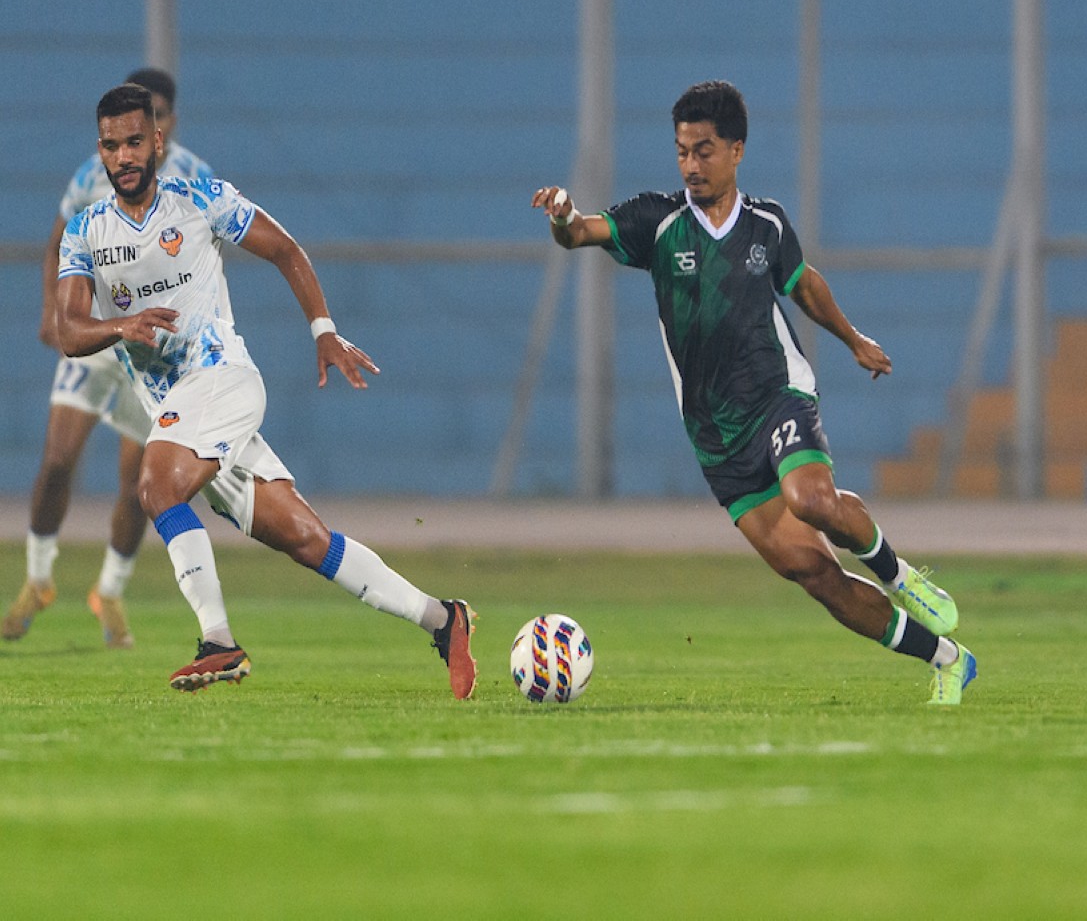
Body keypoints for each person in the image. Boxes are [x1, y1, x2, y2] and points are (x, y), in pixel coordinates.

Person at [531, 80, 977, 705]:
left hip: (778, 397)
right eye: (682, 151)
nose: (691, 165)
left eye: (704, 151)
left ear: (736, 150)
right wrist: (561, 217)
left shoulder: (766, 224)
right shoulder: (657, 221)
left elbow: (804, 284)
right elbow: (581, 232)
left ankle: (901, 576)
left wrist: (853, 340)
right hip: (716, 436)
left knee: (811, 498)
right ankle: (949, 660)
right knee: (815, 575)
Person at [55, 82, 477, 696]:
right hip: (181, 412)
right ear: (101, 150)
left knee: (156, 485)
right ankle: (443, 619)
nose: (124, 157)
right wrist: (121, 325)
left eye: (135, 142)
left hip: (221, 379)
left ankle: (218, 643)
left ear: (158, 143)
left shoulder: (199, 199)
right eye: (112, 146)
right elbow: (69, 331)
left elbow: (284, 249)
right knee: (307, 540)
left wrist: (324, 331)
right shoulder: (85, 231)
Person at [5, 68, 213, 650]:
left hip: (152, 354)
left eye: (159, 116)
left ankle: (110, 591)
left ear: (167, 125)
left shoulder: (195, 179)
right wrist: (53, 311)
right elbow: (57, 239)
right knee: (56, 460)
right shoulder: (94, 174)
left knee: (137, 482)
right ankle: (38, 580)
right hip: (99, 339)